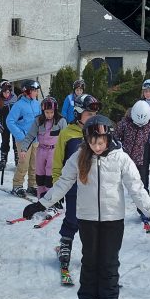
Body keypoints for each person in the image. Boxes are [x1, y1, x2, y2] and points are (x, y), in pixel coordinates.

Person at [22, 115, 150, 299]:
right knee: (90, 260)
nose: (96, 147)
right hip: (87, 218)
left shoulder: (121, 158)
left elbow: (136, 187)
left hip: (113, 220)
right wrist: (40, 204)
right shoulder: (79, 157)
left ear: (108, 137)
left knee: (109, 261)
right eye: (92, 142)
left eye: (100, 142)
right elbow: (62, 183)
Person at [51, 93, 101, 278]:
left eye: (94, 115)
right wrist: (57, 187)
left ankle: (92, 253)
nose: (92, 119)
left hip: (93, 187)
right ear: (78, 113)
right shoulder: (67, 133)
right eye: (88, 115)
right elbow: (58, 162)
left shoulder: (99, 133)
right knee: (72, 218)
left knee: (92, 222)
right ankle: (65, 243)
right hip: (72, 187)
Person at [114, 100, 150, 222]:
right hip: (123, 159)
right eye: (136, 124)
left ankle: (143, 211)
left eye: (141, 125)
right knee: (114, 185)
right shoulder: (124, 123)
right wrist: (117, 146)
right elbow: (115, 137)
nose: (139, 126)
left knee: (141, 186)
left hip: (139, 161)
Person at [19, 96, 66, 205]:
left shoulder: (61, 121)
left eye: (51, 112)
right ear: (43, 111)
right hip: (41, 150)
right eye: (47, 112)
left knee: (50, 177)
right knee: (39, 175)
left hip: (54, 151)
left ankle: (52, 200)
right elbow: (30, 136)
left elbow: (65, 139)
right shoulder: (38, 120)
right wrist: (24, 149)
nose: (49, 114)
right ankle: (41, 200)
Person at [6, 79, 42, 196]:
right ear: (27, 91)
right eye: (34, 91)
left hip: (36, 139)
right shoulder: (19, 105)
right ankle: (17, 185)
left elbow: (40, 120)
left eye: (37, 91)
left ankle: (32, 185)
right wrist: (21, 135)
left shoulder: (37, 104)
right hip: (23, 140)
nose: (36, 93)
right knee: (24, 163)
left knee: (34, 164)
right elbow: (10, 121)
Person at [0, 80, 17, 172]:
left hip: (15, 125)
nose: (7, 94)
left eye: (8, 92)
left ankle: (17, 160)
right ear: (1, 91)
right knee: (5, 141)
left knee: (16, 142)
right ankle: (3, 159)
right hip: (4, 124)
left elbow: (19, 110)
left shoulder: (15, 97)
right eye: (4, 92)